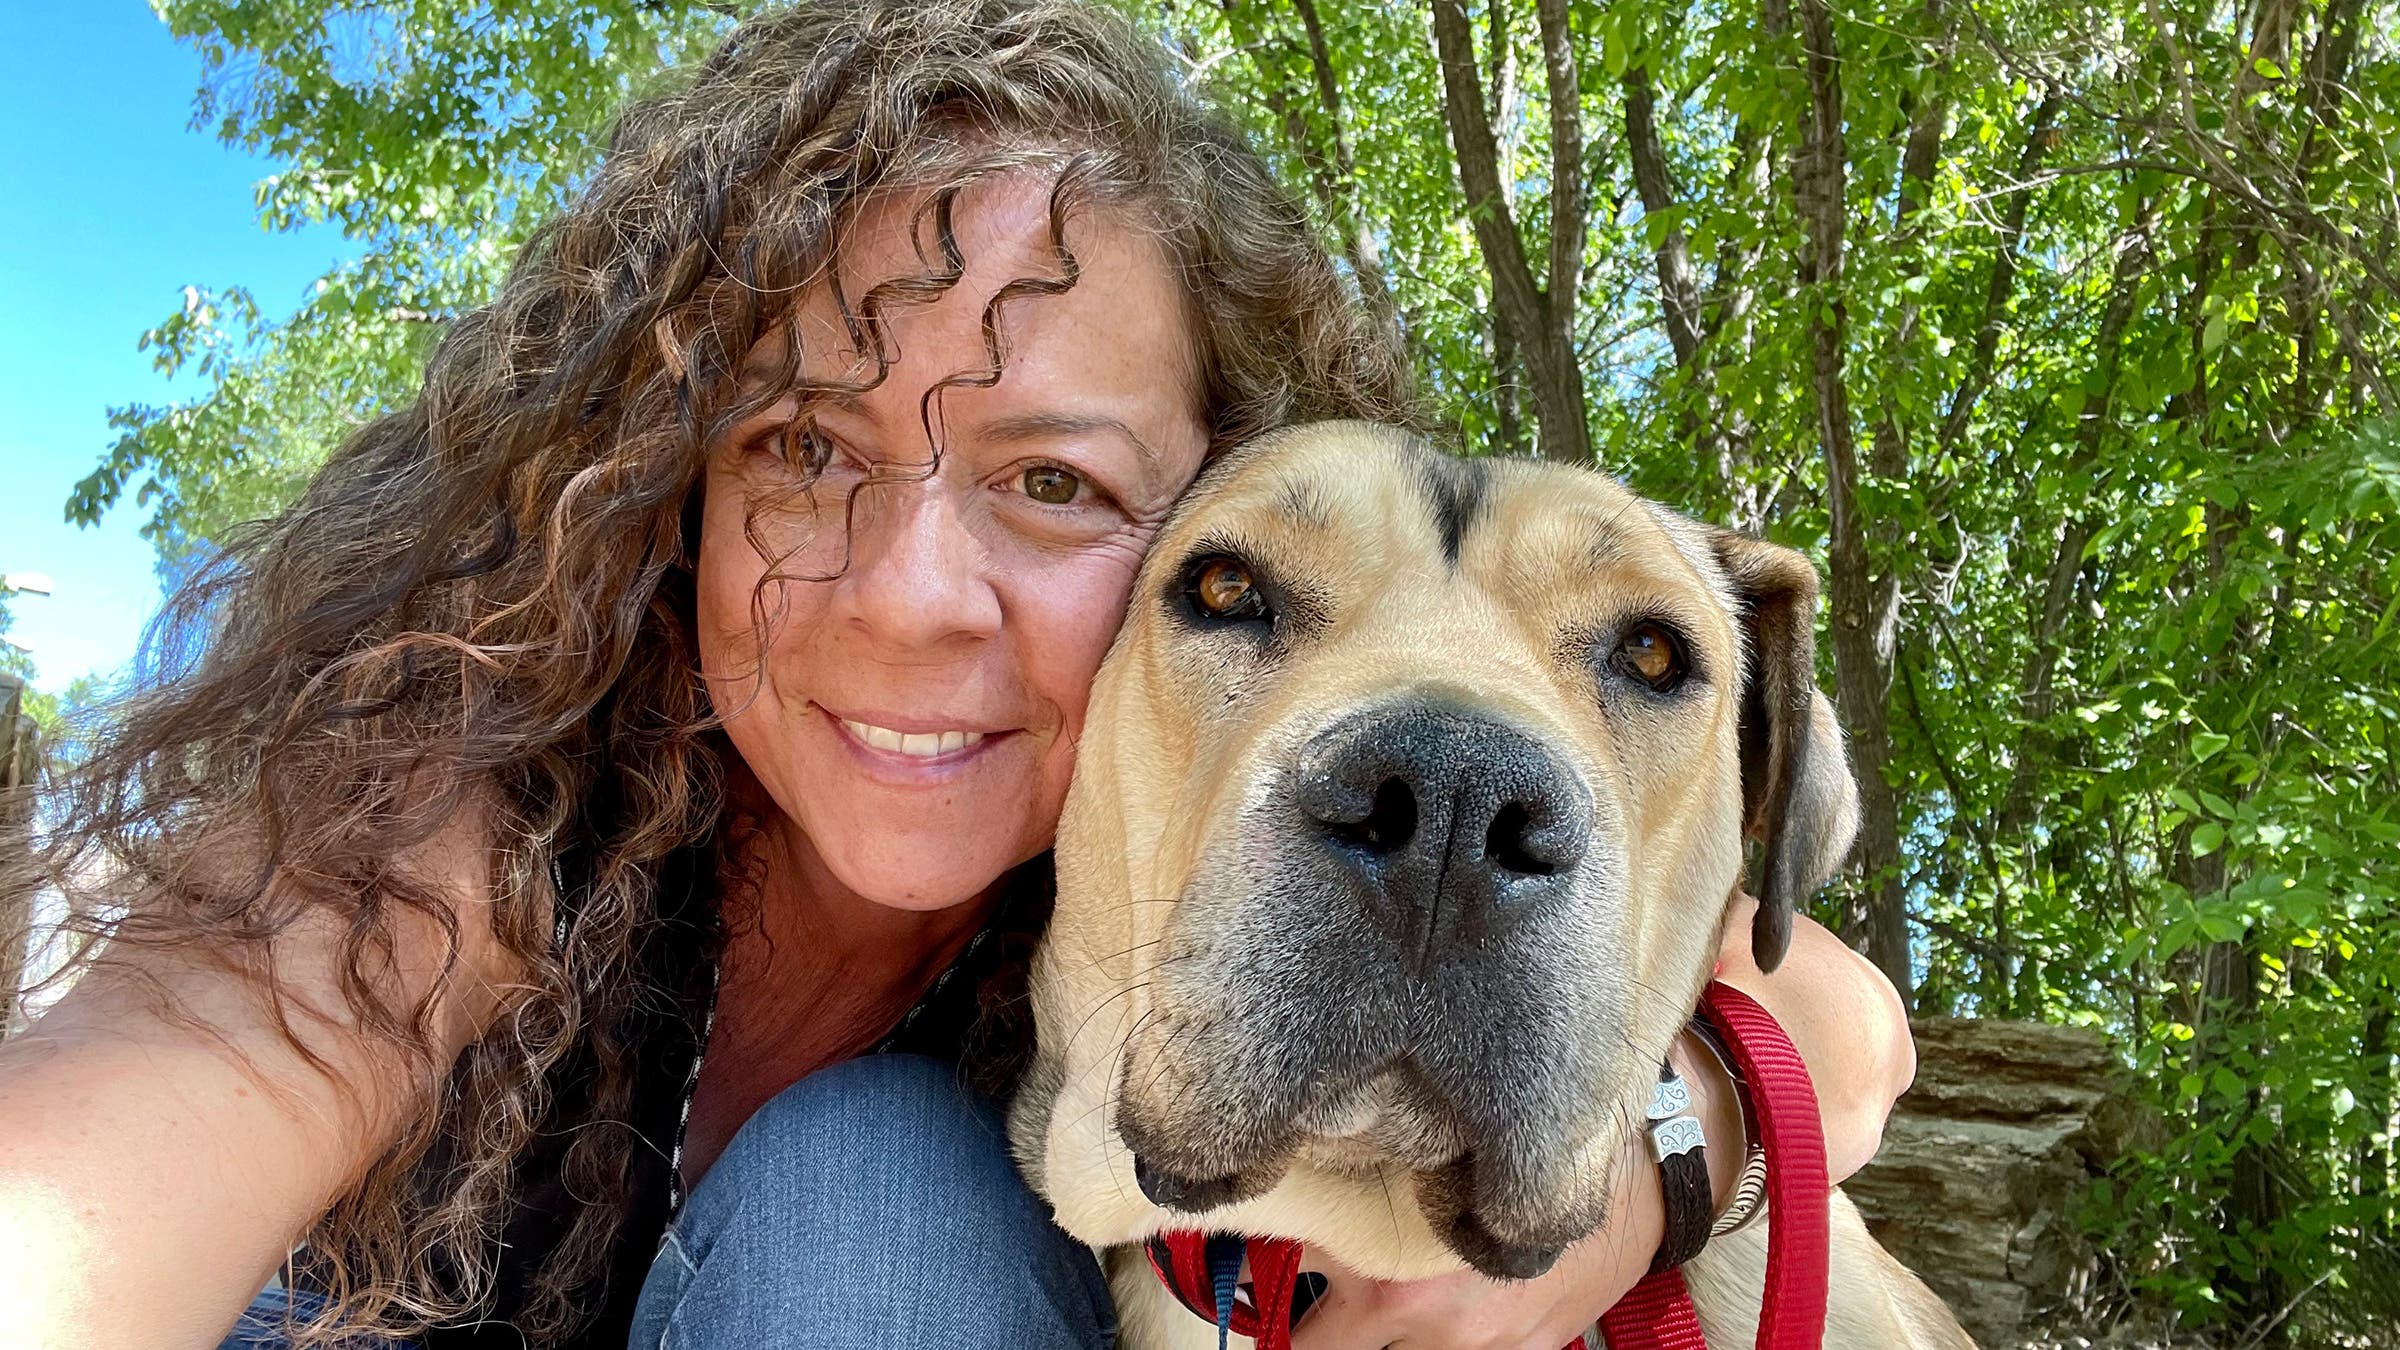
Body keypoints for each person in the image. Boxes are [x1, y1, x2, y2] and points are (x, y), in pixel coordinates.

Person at [0, 2, 1916, 1347]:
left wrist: (1674, 1148)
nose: (914, 596)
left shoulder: (1166, 848)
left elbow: (1827, 999)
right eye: (809, 449)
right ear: (666, 490)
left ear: (1192, 513)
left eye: (1055, 483)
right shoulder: (471, 808)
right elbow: (83, 1198)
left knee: (883, 1191)